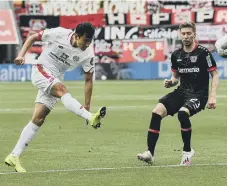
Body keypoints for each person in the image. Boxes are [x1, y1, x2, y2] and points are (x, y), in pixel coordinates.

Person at [5, 22, 107, 172]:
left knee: (38, 118)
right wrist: (21, 55)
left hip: (56, 76)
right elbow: (33, 37)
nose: (88, 44)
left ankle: (14, 156)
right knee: (62, 90)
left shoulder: (88, 53)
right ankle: (92, 117)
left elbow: (88, 80)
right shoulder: (60, 33)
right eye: (86, 40)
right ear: (77, 36)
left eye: (90, 40)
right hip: (41, 69)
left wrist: (87, 107)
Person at [137, 22, 219, 166]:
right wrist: (171, 82)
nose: (186, 36)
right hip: (182, 92)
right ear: (180, 35)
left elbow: (215, 74)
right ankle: (150, 153)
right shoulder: (176, 55)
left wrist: (212, 96)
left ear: (194, 34)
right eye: (183, 34)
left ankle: (187, 152)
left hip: (199, 94)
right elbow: (176, 78)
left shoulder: (203, 53)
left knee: (183, 113)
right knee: (156, 112)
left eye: (189, 33)